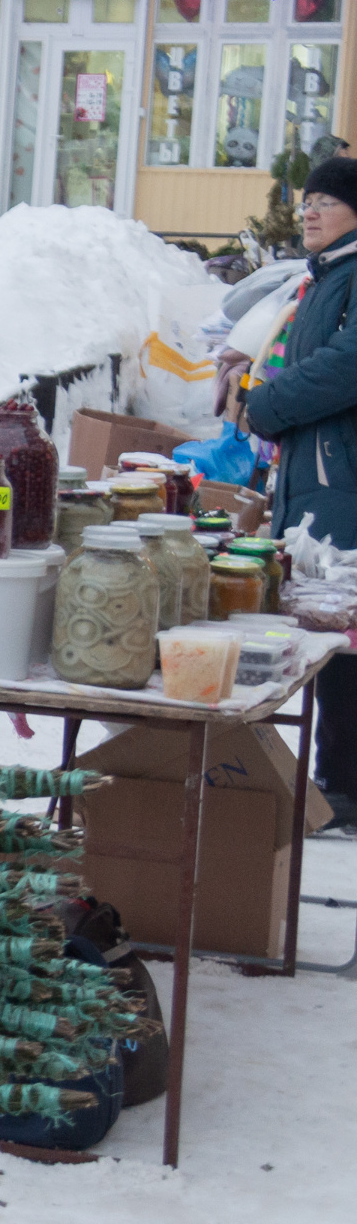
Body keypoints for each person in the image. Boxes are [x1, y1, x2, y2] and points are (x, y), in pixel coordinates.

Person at [230, 154, 357, 834]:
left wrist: (269, 403)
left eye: (325, 202)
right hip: (317, 474)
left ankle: (345, 785)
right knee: (329, 632)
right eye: (306, 199)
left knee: (346, 632)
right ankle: (336, 777)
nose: (309, 210)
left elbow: (346, 365)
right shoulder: (329, 275)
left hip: (343, 479)